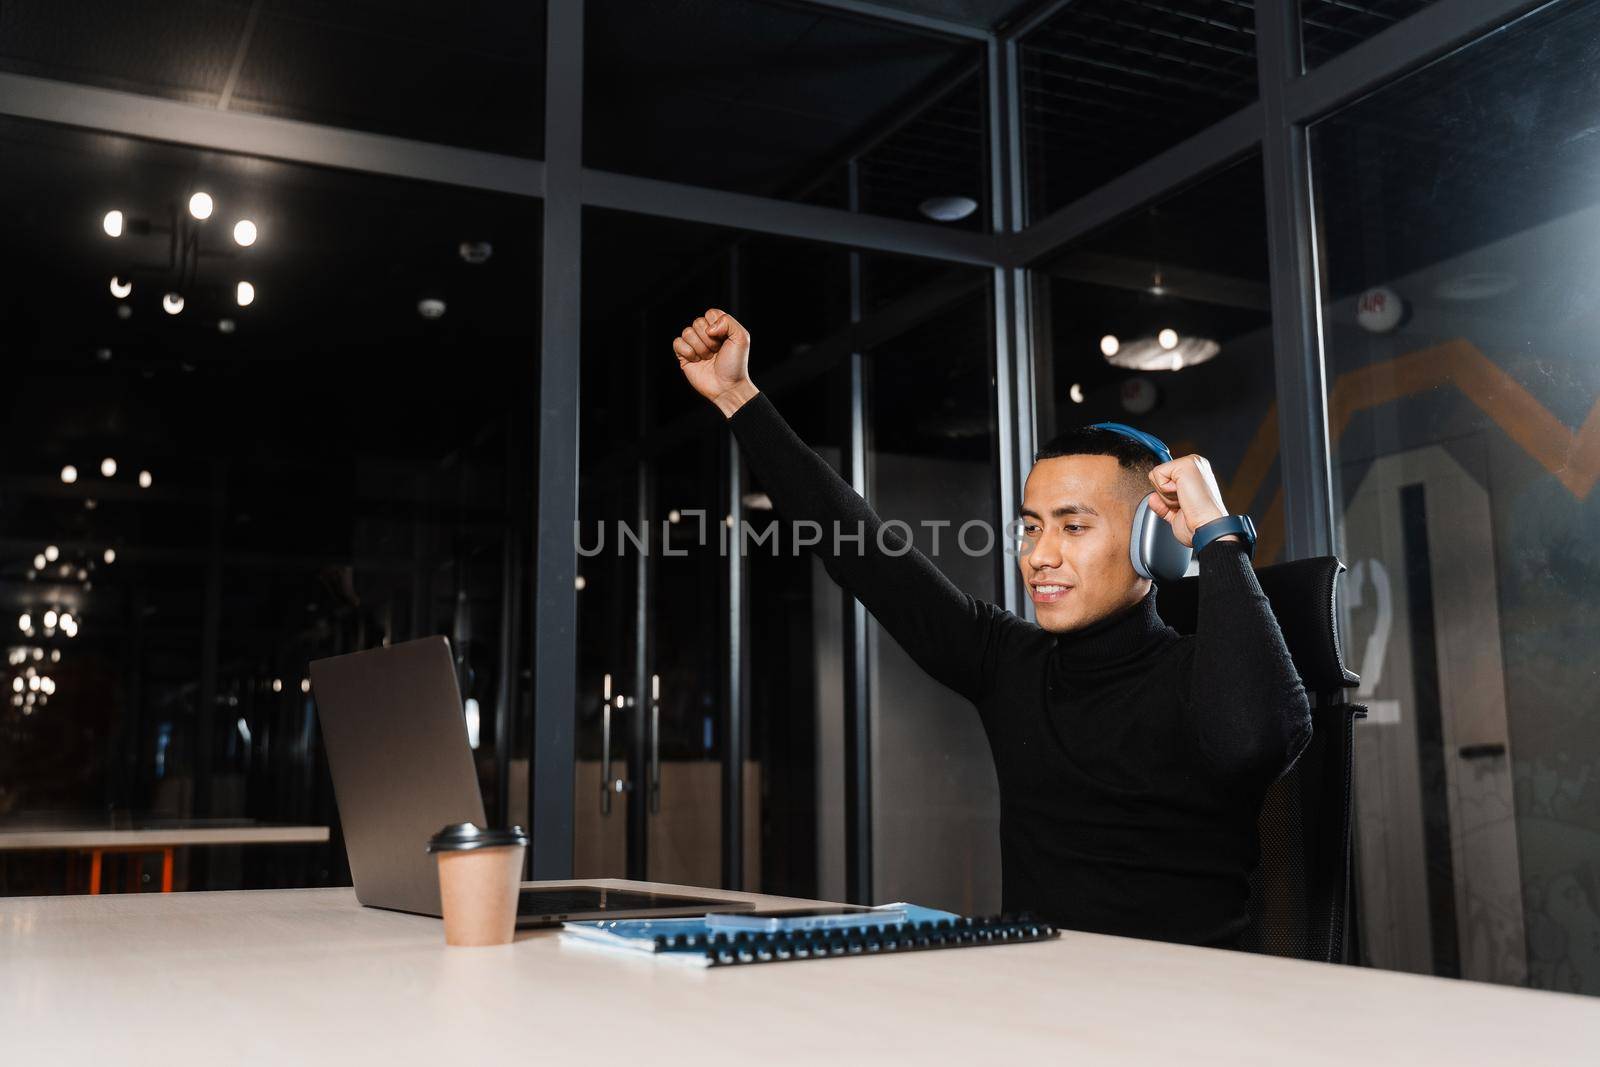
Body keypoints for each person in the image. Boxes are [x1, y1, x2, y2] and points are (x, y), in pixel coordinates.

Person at [670, 308, 1311, 948]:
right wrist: (736, 396)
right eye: (1032, 526)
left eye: (1074, 525)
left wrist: (1216, 537)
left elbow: (1258, 740)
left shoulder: (1202, 679)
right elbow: (860, 550)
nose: (1039, 555)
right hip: (1034, 1006)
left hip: (1185, 1022)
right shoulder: (1008, 661)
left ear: (1154, 544)